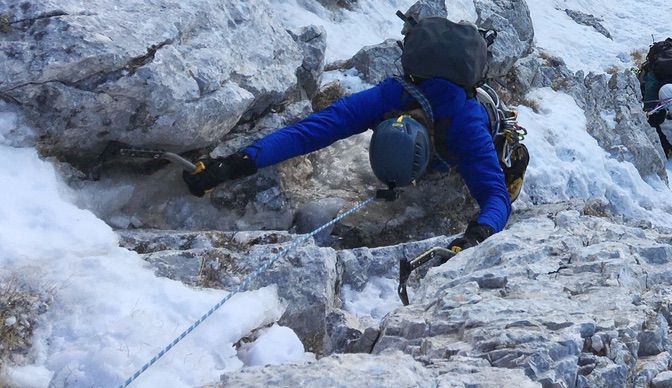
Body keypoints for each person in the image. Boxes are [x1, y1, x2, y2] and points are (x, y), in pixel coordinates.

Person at [183, 17, 524, 253]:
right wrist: (236, 164)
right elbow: (312, 131)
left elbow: (496, 196)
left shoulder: (465, 125)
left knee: (505, 164)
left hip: (477, 126)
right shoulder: (392, 96)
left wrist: (478, 234)